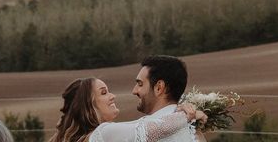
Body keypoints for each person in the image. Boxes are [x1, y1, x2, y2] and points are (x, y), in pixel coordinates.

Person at [48, 77, 206, 142]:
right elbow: (155, 129)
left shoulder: (89, 137)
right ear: (88, 105)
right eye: (104, 93)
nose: (112, 96)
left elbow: (140, 123)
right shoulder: (103, 133)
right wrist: (190, 114)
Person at [131, 55, 200, 142]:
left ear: (159, 87)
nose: (134, 91)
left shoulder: (142, 132)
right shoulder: (195, 133)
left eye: (140, 84)